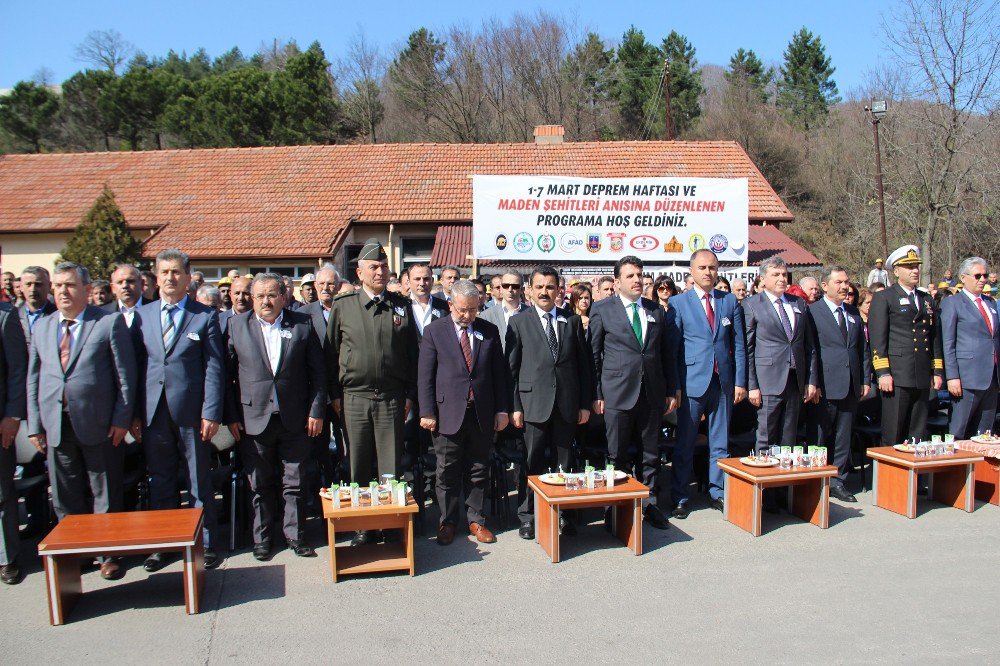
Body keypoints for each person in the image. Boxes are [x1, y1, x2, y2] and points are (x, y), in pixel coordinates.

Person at [27, 262, 136, 581]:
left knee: (104, 490)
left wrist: (121, 418)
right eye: (58, 286)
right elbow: (34, 379)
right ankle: (74, 552)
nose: (62, 291)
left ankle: (107, 554)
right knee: (65, 493)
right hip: (55, 424)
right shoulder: (43, 327)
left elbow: (124, 377)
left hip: (100, 424)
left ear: (87, 290)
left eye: (70, 285)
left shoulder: (108, 322)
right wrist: (35, 424)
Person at [134, 249, 224, 571]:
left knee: (198, 479)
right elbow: (134, 367)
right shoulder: (141, 316)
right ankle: (164, 543)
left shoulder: (204, 316)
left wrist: (211, 412)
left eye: (176, 272)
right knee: (161, 480)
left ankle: (206, 541)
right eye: (164, 272)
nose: (170, 278)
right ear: (156, 278)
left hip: (192, 412)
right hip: (153, 412)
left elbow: (214, 367)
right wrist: (133, 414)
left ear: (188, 277)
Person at [225, 273, 326, 560]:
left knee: (294, 481)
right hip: (253, 417)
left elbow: (317, 374)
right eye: (260, 296)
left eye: (271, 295)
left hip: (295, 418)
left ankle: (295, 536)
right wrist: (232, 416)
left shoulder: (302, 325)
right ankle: (263, 538)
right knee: (260, 483)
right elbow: (226, 378)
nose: (266, 301)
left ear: (283, 296)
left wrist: (316, 410)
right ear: (252, 299)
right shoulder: (236, 326)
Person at [326, 239, 418, 547]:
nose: (380, 272)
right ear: (360, 271)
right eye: (374, 267)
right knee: (358, 464)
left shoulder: (401, 305)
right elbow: (331, 354)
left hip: (392, 396)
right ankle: (363, 526)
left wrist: (410, 395)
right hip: (354, 397)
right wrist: (335, 396)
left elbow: (412, 354)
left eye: (384, 266)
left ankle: (391, 523)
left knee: (391, 465)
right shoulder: (344, 306)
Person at [418, 280, 509, 545]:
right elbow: (425, 376)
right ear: (450, 305)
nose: (467, 315)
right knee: (447, 470)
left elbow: (499, 375)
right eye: (462, 310)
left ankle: (476, 520)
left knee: (478, 468)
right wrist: (427, 411)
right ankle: (447, 521)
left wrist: (502, 410)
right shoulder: (434, 331)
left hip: (481, 412)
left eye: (473, 310)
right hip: (447, 412)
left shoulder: (489, 331)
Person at [590, 256, 678, 529]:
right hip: (617, 393)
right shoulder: (602, 310)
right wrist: (597, 393)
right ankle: (614, 506)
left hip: (651, 393)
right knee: (617, 454)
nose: (637, 280)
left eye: (639, 274)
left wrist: (672, 390)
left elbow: (666, 354)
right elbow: (594, 355)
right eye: (630, 276)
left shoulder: (655, 310)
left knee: (649, 454)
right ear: (617, 282)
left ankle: (649, 503)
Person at [507, 266, 594, 539]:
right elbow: (511, 369)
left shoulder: (571, 321)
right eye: (539, 287)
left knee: (564, 464)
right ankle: (528, 516)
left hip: (566, 405)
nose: (545, 292)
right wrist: (515, 406)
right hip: (533, 405)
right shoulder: (519, 322)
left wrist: (584, 404)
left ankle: (564, 513)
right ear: (529, 290)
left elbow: (584, 367)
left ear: (559, 290)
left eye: (550, 287)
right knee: (531, 463)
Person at [669, 249, 747, 517]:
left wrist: (740, 381)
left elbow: (738, 345)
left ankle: (718, 492)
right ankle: (680, 495)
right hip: (692, 382)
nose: (708, 272)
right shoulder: (679, 303)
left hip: (722, 382)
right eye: (702, 268)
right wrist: (675, 386)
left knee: (720, 442)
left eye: (712, 268)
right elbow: (673, 350)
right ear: (691, 271)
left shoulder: (729, 302)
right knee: (686, 442)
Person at [743, 256, 818, 462]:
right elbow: (748, 348)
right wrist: (752, 385)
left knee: (788, 439)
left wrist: (811, 380)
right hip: (767, 381)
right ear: (763, 279)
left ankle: (784, 490)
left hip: (794, 381)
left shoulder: (798, 303)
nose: (781, 279)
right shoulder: (751, 305)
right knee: (766, 437)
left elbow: (809, 346)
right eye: (775, 275)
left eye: (784, 274)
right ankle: (764, 490)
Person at [868, 245, 943, 447]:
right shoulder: (885, 297)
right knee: (893, 433)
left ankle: (914, 478)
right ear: (897, 271)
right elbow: (878, 338)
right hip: (897, 374)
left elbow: (934, 336)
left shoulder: (925, 298)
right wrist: (883, 372)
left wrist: (937, 370)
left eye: (916, 266)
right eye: (909, 266)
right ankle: (888, 478)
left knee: (917, 433)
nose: (915, 270)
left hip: (921, 373)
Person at [807, 266, 871, 503]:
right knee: (820, 435)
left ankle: (838, 480)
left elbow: (862, 349)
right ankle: (815, 479)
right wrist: (812, 382)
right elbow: (810, 350)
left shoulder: (853, 313)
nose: (845, 286)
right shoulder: (812, 312)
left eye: (846, 282)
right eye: (839, 282)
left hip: (851, 384)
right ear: (825, 286)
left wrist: (865, 379)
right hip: (824, 385)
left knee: (843, 437)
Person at [941, 257, 999, 439]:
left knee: (984, 435)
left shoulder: (991, 303)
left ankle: (979, 468)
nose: (983, 279)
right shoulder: (953, 303)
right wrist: (952, 377)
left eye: (985, 275)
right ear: (963, 277)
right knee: (959, 432)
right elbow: (948, 343)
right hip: (966, 378)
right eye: (978, 275)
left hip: (992, 378)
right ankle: (955, 468)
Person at [299, 266, 343, 499]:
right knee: (320, 446)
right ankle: (321, 491)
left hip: (345, 389)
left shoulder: (347, 309)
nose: (326, 288)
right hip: (317, 393)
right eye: (322, 284)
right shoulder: (303, 315)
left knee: (348, 448)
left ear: (338, 285)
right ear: (315, 286)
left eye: (331, 284)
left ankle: (345, 485)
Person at [0, 296, 27, 585]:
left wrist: (12, 414)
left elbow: (18, 370)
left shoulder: (6, 316)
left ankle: (7, 558)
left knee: (2, 493)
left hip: (1, 422)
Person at [479, 271, 529, 350]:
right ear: (501, 288)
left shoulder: (531, 314)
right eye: (506, 286)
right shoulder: (486, 316)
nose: (510, 289)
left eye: (515, 286)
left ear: (522, 289)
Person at [408, 264, 449, 342]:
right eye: (417, 279)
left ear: (432, 281)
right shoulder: (401, 306)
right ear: (409, 281)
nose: (422, 283)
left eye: (426, 279)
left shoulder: (444, 307)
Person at [18, 266, 55, 344]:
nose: (33, 289)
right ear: (21, 287)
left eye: (38, 284)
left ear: (49, 286)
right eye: (28, 284)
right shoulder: (13, 315)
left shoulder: (58, 315)